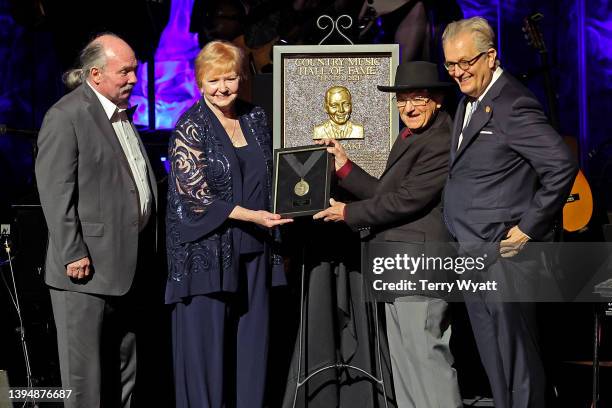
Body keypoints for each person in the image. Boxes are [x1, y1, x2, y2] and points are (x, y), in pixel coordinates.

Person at [441, 17, 578, 408]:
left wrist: (528, 228)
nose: (458, 72)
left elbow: (560, 165)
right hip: (472, 251)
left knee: (517, 361)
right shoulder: (470, 99)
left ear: (491, 55)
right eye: (450, 64)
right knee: (494, 360)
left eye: (465, 62)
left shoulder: (512, 102)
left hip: (502, 254)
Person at [313, 61, 462, 408]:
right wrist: (344, 165)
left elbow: (406, 201)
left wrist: (348, 212)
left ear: (437, 99)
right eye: (402, 99)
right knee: (406, 364)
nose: (409, 107)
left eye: (418, 98)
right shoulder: (414, 134)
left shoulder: (441, 139)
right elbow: (387, 192)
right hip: (398, 264)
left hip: (419, 266)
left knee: (426, 360)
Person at [165, 40, 292, 408]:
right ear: (199, 82)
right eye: (214, 80)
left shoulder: (256, 118)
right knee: (209, 356)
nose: (223, 88)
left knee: (252, 353)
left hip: (256, 251)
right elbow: (195, 197)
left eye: (231, 78)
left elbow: (274, 175)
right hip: (206, 254)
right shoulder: (190, 127)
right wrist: (252, 215)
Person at [35, 34, 157, 407]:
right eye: (125, 71)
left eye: (135, 69)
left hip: (126, 268)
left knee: (124, 370)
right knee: (84, 380)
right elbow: (56, 194)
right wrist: (73, 253)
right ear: (95, 74)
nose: (134, 78)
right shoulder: (66, 116)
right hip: (84, 273)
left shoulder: (120, 113)